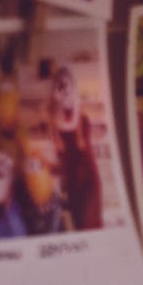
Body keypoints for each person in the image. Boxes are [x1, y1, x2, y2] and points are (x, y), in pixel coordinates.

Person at [50, 67, 103, 230]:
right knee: (80, 223)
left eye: (67, 85)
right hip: (73, 181)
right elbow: (59, 148)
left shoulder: (81, 115)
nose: (64, 90)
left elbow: (81, 145)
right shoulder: (54, 117)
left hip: (87, 178)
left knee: (90, 220)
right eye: (60, 85)